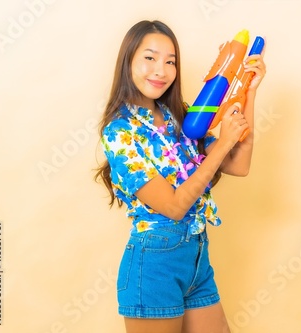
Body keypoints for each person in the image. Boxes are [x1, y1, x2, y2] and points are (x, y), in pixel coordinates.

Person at [94, 20, 266, 333]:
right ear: (127, 62)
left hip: (197, 258)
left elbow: (238, 164)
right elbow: (174, 207)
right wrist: (224, 141)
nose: (161, 70)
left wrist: (248, 92)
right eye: (149, 58)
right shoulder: (121, 133)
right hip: (154, 265)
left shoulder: (180, 116)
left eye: (170, 61)